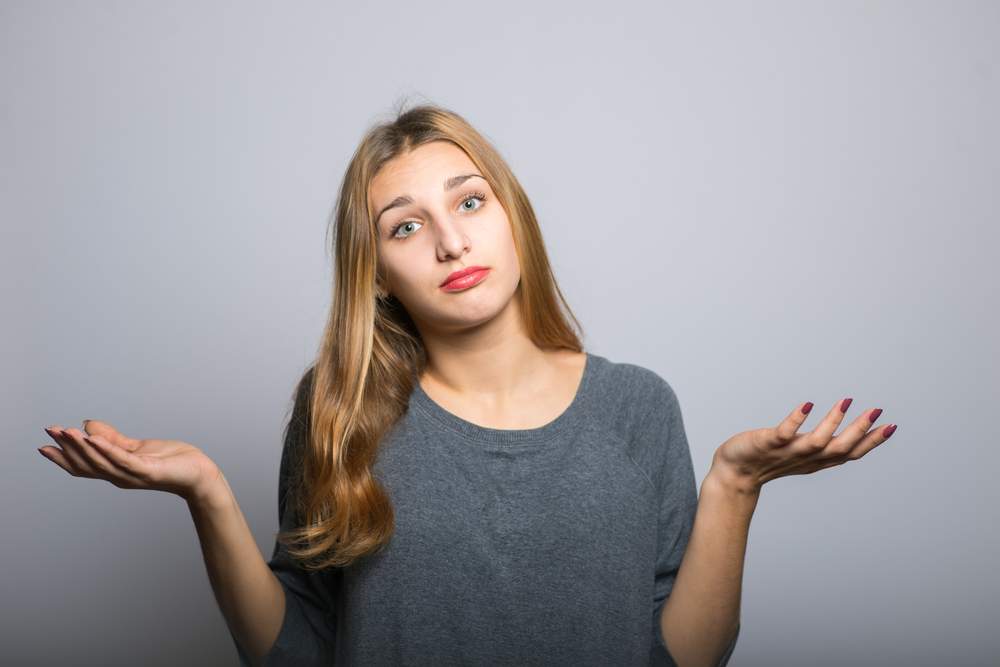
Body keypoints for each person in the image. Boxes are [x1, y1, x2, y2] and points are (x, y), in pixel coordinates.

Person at [39, 105, 897, 667]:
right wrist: (208, 496)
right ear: (377, 273)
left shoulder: (639, 406)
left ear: (512, 216)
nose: (451, 243)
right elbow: (300, 647)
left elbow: (684, 658)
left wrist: (736, 486)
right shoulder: (340, 411)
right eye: (406, 226)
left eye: (472, 203)